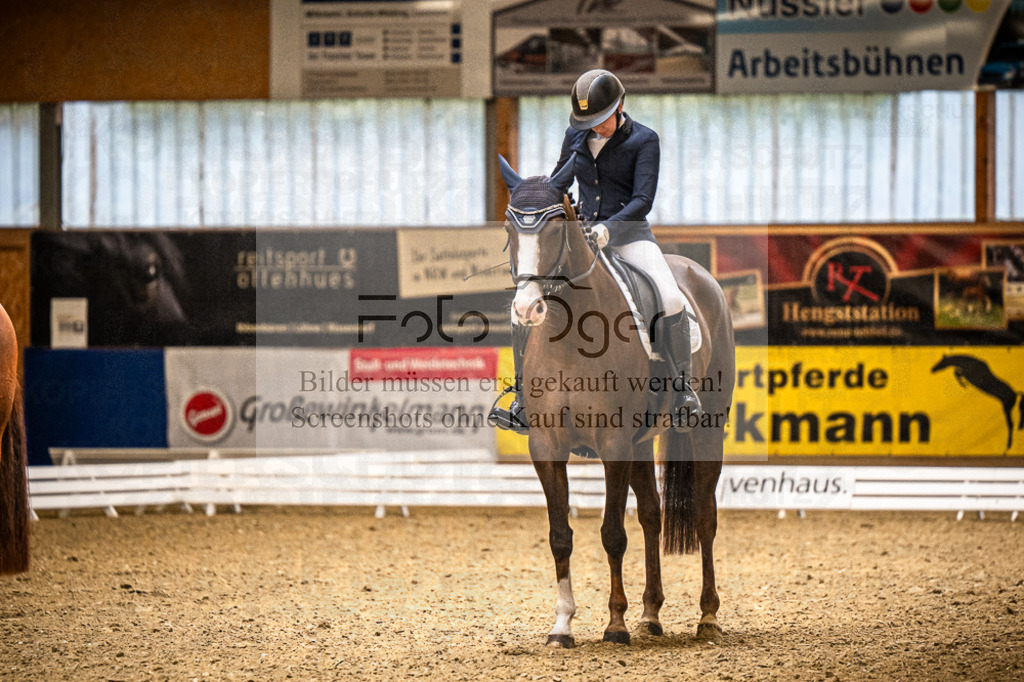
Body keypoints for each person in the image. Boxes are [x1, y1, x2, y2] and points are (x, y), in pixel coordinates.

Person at [489, 68, 702, 433]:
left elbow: (643, 200)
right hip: (583, 237)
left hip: (630, 236)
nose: (595, 128)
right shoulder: (575, 135)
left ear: (619, 107)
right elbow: (558, 183)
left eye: (601, 120)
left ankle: (682, 391)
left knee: (669, 297)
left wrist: (609, 228)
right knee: (522, 304)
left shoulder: (644, 140)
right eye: (588, 123)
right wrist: (538, 203)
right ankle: (522, 399)